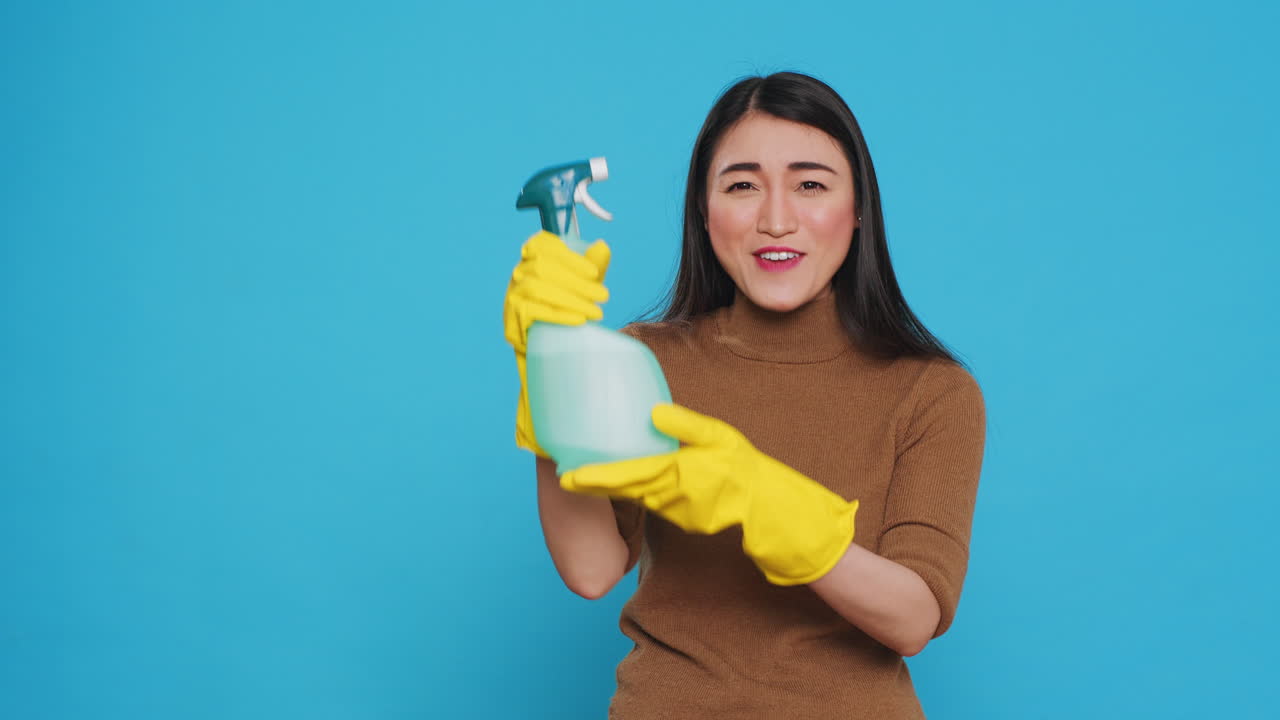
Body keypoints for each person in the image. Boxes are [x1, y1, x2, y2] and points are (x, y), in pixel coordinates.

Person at [502, 71, 987, 719]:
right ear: (705, 212)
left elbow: (913, 618)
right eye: (742, 186)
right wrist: (550, 376)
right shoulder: (647, 360)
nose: (776, 220)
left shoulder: (932, 391)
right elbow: (590, 569)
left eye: (811, 184)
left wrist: (769, 505)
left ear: (859, 207)